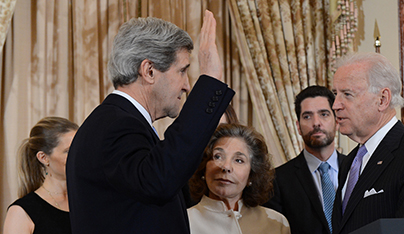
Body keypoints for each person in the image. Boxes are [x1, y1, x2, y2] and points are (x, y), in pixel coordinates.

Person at [65, 11, 235, 233]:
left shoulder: (117, 122)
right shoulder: (115, 126)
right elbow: (158, 182)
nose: (187, 86)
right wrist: (210, 81)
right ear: (149, 71)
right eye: (183, 71)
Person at [330, 52, 404, 234]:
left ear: (383, 99)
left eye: (347, 94)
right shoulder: (351, 161)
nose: (336, 105)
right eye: (335, 94)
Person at [265, 85, 344, 234]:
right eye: (307, 116)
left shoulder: (358, 168)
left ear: (337, 122)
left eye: (324, 114)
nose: (316, 123)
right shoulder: (276, 180)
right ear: (298, 127)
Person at [187, 124, 290, 234]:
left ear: (252, 175)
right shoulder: (184, 222)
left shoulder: (276, 224)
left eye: (239, 160)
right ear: (204, 167)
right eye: (218, 156)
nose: (226, 167)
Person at [3, 117, 78, 234]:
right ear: (43, 158)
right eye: (69, 151)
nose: (78, 156)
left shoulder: (90, 200)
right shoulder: (21, 212)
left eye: (80, 149)